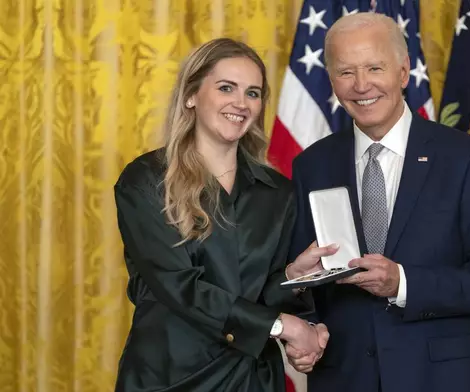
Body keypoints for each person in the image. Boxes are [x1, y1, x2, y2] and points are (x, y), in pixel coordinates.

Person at [283, 13, 470, 392]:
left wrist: (402, 283)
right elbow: (302, 289)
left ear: (404, 72)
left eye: (374, 67)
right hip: (344, 378)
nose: (361, 85)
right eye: (346, 72)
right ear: (331, 81)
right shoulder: (311, 164)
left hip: (440, 379)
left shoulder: (464, 157)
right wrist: (301, 305)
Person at [113, 38, 330, 392]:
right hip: (170, 377)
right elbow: (180, 287)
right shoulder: (146, 180)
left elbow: (253, 292)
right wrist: (282, 327)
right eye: (226, 88)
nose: (240, 103)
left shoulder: (278, 191)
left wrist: (291, 276)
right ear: (191, 96)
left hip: (252, 377)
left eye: (253, 93)